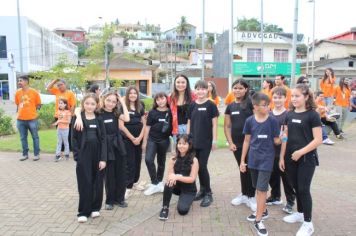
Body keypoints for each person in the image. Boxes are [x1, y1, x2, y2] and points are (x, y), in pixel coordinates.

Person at [73, 89, 130, 210]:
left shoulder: (116, 113)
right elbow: (79, 108)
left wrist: (122, 102)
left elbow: (127, 119)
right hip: (104, 146)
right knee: (109, 175)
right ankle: (109, 200)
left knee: (121, 173)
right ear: (103, 100)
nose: (110, 103)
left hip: (117, 144)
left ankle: (120, 199)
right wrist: (77, 116)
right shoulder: (99, 113)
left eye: (113, 102)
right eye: (108, 100)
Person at [279, 84, 323, 236]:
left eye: (297, 96)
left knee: (304, 189)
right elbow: (284, 136)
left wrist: (301, 152)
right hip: (290, 158)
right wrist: (281, 157)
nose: (294, 99)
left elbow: (318, 140)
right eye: (292, 96)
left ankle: (308, 223)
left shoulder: (313, 115)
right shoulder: (288, 114)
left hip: (306, 158)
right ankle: (299, 213)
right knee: (296, 187)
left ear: (306, 97)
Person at [240, 92, 281, 236]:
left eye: (268, 105)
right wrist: (242, 160)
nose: (267, 108)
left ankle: (258, 219)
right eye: (264, 105)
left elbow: (277, 141)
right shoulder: (250, 121)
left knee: (262, 189)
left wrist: (283, 138)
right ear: (255, 106)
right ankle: (263, 210)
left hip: (266, 160)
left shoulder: (273, 122)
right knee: (257, 188)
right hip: (253, 160)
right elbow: (246, 141)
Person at [72, 93, 107, 223]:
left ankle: (95, 208)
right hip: (84, 155)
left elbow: (103, 139)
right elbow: (74, 139)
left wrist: (103, 159)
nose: (89, 106)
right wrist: (78, 156)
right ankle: (83, 211)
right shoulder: (77, 118)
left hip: (98, 154)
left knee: (97, 182)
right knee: (85, 183)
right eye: (87, 103)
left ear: (96, 105)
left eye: (92, 104)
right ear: (83, 104)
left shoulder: (99, 118)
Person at [224, 79, 256, 212]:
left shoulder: (250, 103)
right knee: (242, 168)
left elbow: (258, 120)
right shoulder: (230, 106)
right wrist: (230, 143)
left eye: (240, 88)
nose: (237, 90)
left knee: (250, 169)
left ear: (246, 89)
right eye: (235, 88)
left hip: (251, 143)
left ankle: (252, 196)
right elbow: (227, 126)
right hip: (236, 144)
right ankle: (244, 194)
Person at [187, 80, 219, 207]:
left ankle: (208, 193)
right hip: (193, 141)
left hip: (205, 142)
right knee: (196, 166)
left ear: (207, 90)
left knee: (202, 166)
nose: (200, 91)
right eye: (198, 89)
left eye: (203, 89)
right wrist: (187, 139)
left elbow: (215, 124)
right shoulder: (192, 105)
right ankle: (202, 190)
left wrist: (214, 140)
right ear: (195, 91)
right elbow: (189, 122)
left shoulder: (211, 105)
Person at [267, 87, 296, 214]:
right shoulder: (268, 113)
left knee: (286, 178)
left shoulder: (288, 114)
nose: (277, 100)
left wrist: (283, 153)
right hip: (270, 151)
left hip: (284, 151)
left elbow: (285, 136)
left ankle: (290, 201)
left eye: (280, 97)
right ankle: (275, 196)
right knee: (272, 176)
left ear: (285, 98)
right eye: (275, 97)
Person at [158, 134, 199, 221]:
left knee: (182, 211)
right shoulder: (173, 159)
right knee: (169, 182)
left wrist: (177, 177)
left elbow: (192, 179)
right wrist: (173, 177)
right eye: (179, 143)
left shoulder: (194, 160)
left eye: (184, 144)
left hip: (189, 189)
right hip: (177, 187)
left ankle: (185, 198)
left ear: (189, 145)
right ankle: (165, 208)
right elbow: (170, 175)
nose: (181, 146)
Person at [119, 86, 146, 199]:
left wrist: (140, 138)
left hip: (138, 139)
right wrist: (132, 138)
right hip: (127, 139)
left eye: (135, 93)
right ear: (127, 94)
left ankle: (134, 182)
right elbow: (121, 126)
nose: (133, 95)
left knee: (137, 161)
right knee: (129, 162)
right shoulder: (122, 107)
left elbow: (144, 123)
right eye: (130, 93)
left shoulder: (140, 106)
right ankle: (127, 187)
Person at [143, 92, 172, 196]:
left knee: (161, 162)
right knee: (148, 160)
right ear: (155, 101)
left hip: (164, 140)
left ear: (166, 99)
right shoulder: (152, 112)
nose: (160, 101)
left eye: (162, 98)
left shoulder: (171, 111)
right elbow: (147, 127)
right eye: (158, 99)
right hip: (152, 139)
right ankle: (154, 182)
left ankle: (159, 183)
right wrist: (145, 141)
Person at [15, 74, 41, 161]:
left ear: (26, 82)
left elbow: (38, 104)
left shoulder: (34, 92)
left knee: (35, 137)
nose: (19, 82)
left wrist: (32, 112)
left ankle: (36, 154)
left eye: (20, 81)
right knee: (23, 138)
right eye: (18, 81)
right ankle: (25, 154)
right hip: (20, 119)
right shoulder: (17, 92)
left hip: (32, 119)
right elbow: (17, 104)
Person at [47, 78, 76, 151]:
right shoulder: (57, 91)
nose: (60, 87)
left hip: (66, 117)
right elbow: (48, 88)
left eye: (61, 85)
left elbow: (73, 106)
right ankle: (62, 150)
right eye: (58, 85)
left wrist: (70, 116)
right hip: (58, 116)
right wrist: (55, 80)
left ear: (65, 85)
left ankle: (68, 149)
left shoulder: (70, 93)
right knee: (60, 134)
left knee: (67, 134)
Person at [168, 75, 196, 144]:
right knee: (179, 150)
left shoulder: (194, 96)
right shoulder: (170, 97)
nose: (180, 84)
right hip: (176, 128)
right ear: (175, 83)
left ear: (187, 84)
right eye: (178, 82)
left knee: (191, 150)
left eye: (183, 82)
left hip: (191, 127)